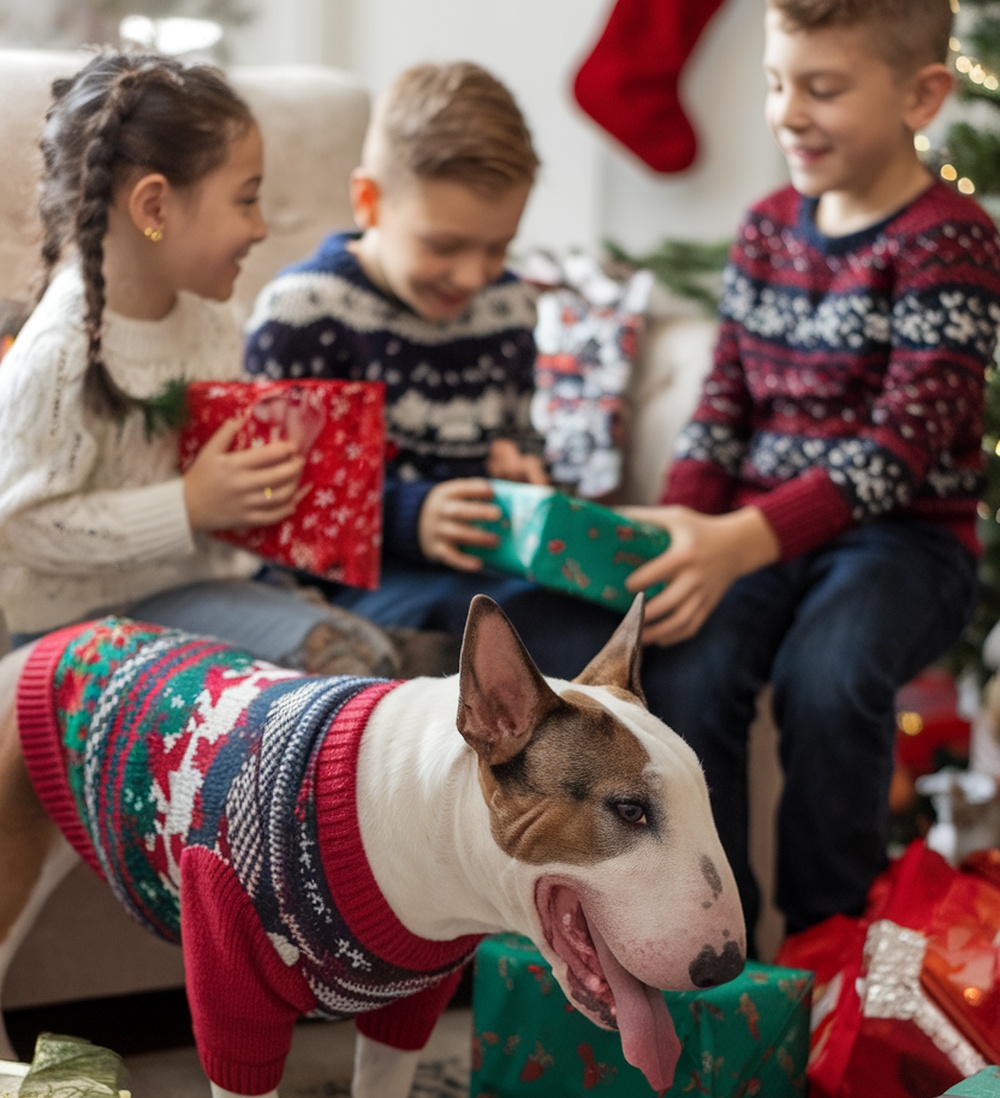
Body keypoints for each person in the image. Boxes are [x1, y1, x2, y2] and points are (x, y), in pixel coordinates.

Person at [616, 0, 1000, 941]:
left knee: (827, 678)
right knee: (691, 667)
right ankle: (722, 943)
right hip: (758, 535)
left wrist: (739, 538)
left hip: (904, 543)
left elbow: (904, 445)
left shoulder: (950, 240)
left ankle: (832, 944)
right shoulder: (765, 230)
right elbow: (722, 411)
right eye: (777, 83)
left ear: (923, 94)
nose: (788, 111)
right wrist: (682, 532)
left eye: (823, 89)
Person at [0, 50, 400, 677]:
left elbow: (225, 474)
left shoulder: (214, 318)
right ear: (154, 209)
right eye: (246, 201)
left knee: (366, 650)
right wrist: (186, 506)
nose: (262, 228)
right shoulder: (60, 350)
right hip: (74, 632)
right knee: (338, 660)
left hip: (193, 595)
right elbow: (16, 527)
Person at [244, 60, 549, 638]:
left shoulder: (508, 307)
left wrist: (523, 471)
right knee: (514, 628)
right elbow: (273, 503)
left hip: (485, 570)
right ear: (369, 201)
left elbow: (519, 433)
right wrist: (408, 518)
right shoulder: (305, 314)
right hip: (347, 587)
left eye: (499, 248)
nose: (472, 275)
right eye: (445, 245)